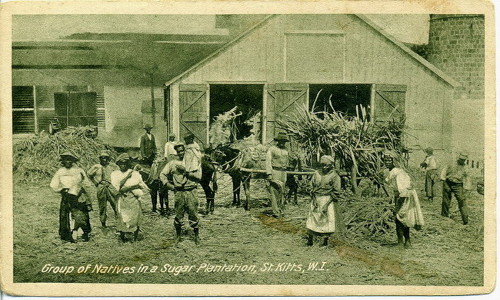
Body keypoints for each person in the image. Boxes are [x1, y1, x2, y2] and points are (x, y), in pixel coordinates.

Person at [160, 144, 202, 245]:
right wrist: (169, 185)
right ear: (176, 153)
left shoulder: (194, 162)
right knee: (178, 215)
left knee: (193, 213)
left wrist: (186, 172)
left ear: (185, 151)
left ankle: (196, 237)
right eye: (178, 151)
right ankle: (178, 236)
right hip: (179, 192)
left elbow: (199, 177)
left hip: (191, 191)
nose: (180, 153)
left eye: (182, 151)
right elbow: (162, 174)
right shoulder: (173, 163)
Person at [50, 151, 93, 242]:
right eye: (66, 160)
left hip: (78, 195)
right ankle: (68, 234)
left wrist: (82, 184)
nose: (68, 162)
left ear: (73, 161)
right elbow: (53, 184)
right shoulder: (60, 171)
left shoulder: (79, 170)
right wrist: (61, 189)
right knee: (66, 215)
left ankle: (82, 233)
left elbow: (87, 183)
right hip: (66, 195)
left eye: (70, 160)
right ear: (63, 161)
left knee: (80, 214)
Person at [110, 153, 150, 242]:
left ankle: (134, 237)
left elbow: (141, 185)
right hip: (122, 198)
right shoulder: (115, 174)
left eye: (124, 163)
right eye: (120, 163)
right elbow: (117, 187)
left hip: (133, 198)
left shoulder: (134, 173)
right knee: (122, 217)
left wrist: (131, 187)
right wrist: (128, 179)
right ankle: (123, 237)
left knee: (135, 216)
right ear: (118, 164)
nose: (122, 165)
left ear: (127, 163)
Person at [306, 155, 343, 247]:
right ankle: (310, 239)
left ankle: (324, 241)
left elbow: (336, 192)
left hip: (327, 199)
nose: (324, 167)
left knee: (326, 220)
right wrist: (314, 199)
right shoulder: (317, 173)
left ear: (331, 165)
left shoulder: (334, 176)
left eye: (327, 165)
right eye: (322, 165)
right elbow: (311, 187)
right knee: (312, 218)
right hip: (316, 198)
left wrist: (326, 205)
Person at [384, 153, 420, 249]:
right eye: (386, 160)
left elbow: (402, 189)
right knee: (403, 219)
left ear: (394, 162)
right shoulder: (395, 171)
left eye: (389, 161)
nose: (387, 162)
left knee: (400, 219)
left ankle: (402, 242)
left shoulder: (397, 172)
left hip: (403, 197)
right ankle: (406, 242)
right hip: (403, 196)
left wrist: (399, 201)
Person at [88, 150, 119, 227]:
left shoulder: (112, 167)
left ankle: (119, 221)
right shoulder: (97, 167)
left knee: (115, 204)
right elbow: (89, 174)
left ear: (108, 159)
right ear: (100, 159)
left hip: (110, 186)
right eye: (102, 158)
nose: (104, 159)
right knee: (102, 205)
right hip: (101, 186)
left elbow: (118, 175)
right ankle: (103, 222)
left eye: (105, 158)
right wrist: (96, 183)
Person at [440, 152, 472, 225]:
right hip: (448, 182)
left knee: (461, 200)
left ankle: (465, 220)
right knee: (446, 199)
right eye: (461, 159)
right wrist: (443, 178)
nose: (462, 160)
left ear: (465, 159)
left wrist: (467, 186)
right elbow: (444, 169)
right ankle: (444, 216)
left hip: (458, 184)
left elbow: (468, 177)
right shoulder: (452, 163)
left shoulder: (465, 167)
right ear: (459, 157)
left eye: (463, 159)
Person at [265, 132, 290, 217]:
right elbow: (268, 162)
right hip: (275, 171)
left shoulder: (286, 150)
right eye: (281, 141)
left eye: (284, 141)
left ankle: (281, 209)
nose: (282, 143)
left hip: (283, 172)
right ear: (277, 141)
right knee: (274, 191)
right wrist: (269, 173)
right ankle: (275, 211)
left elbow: (287, 161)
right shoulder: (272, 149)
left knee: (283, 191)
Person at [200, 147, 218, 215]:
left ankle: (210, 207)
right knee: (209, 192)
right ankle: (210, 207)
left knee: (209, 192)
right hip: (205, 178)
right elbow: (211, 168)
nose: (208, 155)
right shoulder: (204, 160)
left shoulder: (205, 159)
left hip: (206, 178)